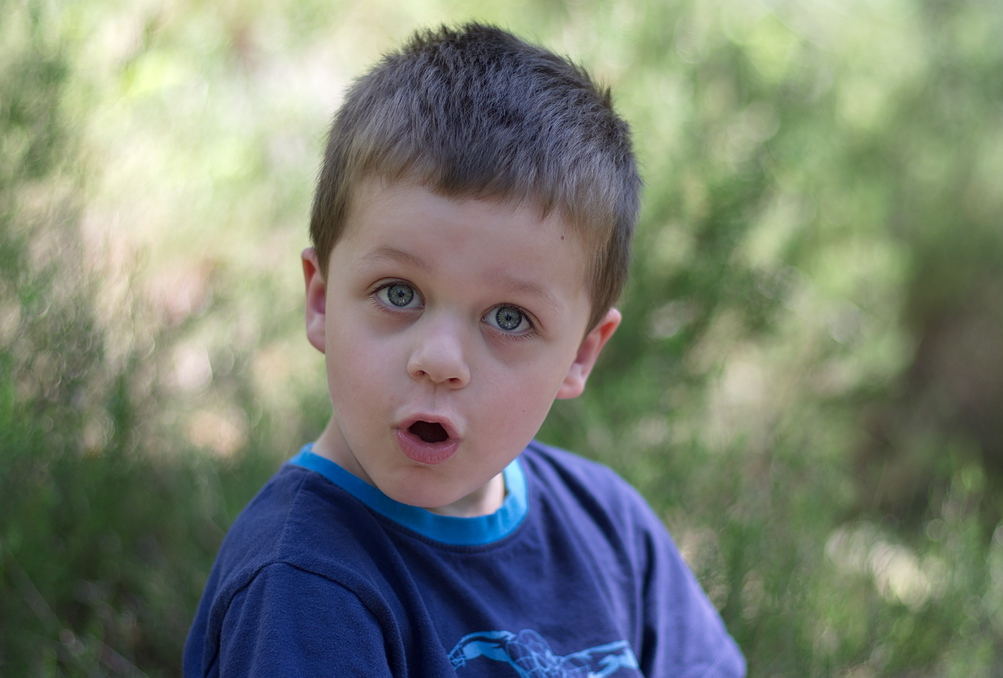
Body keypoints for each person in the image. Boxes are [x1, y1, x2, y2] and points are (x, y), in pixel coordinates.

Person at [184, 22, 746, 677]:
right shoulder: (305, 584)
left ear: (580, 355)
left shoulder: (610, 528)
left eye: (509, 317)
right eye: (399, 293)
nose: (441, 360)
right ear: (321, 301)